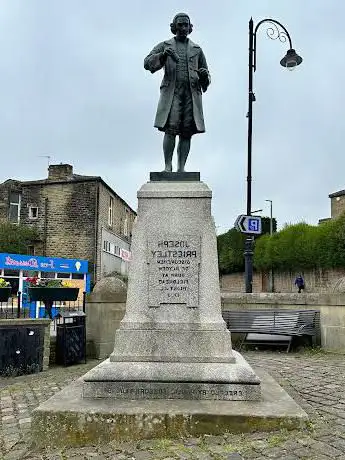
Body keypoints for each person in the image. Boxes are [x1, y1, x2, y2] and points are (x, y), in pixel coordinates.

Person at [144, 13, 210, 173]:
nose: (183, 28)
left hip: (191, 93)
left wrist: (203, 76)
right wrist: (163, 55)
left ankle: (181, 168)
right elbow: (147, 63)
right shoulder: (165, 45)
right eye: (179, 25)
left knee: (187, 131)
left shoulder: (197, 49)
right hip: (172, 92)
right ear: (174, 27)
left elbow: (207, 76)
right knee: (171, 129)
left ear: (190, 27)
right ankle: (168, 166)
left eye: (186, 25)